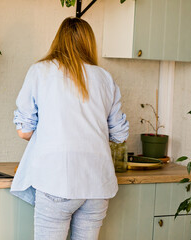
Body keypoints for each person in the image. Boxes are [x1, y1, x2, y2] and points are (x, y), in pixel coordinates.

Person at [11, 17, 129, 240]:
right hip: (97, 184)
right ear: (89, 43)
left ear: (59, 40)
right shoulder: (105, 78)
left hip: (58, 180)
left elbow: (24, 131)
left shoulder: (40, 71)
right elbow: (120, 135)